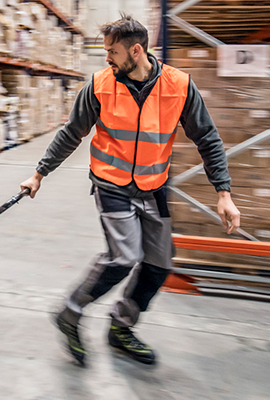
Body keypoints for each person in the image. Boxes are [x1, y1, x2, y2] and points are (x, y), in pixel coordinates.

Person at [20, 14, 240, 366]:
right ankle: (70, 312)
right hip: (111, 184)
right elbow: (71, 132)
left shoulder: (179, 85)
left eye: (113, 52)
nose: (107, 58)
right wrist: (39, 173)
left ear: (136, 51)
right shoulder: (100, 85)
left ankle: (121, 327)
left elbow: (208, 138)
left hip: (153, 186)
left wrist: (223, 192)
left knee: (159, 263)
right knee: (123, 257)